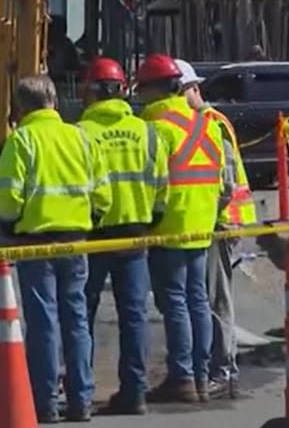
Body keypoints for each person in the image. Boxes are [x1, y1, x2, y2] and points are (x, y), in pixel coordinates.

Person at [0, 75, 111, 423]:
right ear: (55, 102)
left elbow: (8, 199)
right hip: (76, 241)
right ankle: (82, 401)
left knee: (43, 323)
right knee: (76, 320)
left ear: (20, 107)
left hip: (36, 244)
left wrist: (9, 225)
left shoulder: (23, 140)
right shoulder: (80, 137)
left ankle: (45, 403)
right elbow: (102, 192)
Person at [134, 54, 231, 403]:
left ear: (153, 89)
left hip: (170, 225)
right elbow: (221, 183)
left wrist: (148, 221)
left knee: (175, 303)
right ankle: (201, 377)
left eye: (141, 88)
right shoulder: (207, 125)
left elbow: (153, 183)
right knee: (198, 301)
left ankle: (183, 377)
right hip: (201, 225)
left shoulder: (157, 127)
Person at [76, 58, 168, 415]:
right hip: (136, 233)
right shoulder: (147, 132)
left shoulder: (82, 132)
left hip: (95, 234)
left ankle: (80, 393)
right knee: (134, 315)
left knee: (83, 312)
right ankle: (135, 393)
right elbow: (162, 186)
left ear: (93, 91)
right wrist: (151, 218)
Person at [175, 58, 253, 399]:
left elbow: (224, 183)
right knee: (206, 297)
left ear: (192, 89)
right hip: (215, 221)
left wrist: (205, 216)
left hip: (219, 222)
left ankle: (224, 370)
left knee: (215, 299)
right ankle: (216, 367)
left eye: (179, 92)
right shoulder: (200, 121)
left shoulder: (210, 123)